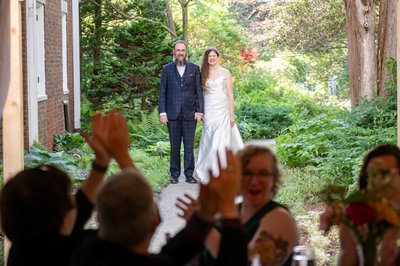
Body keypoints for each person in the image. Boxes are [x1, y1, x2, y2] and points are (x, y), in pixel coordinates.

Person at [70, 148, 247, 266]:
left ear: (98, 216)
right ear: (156, 219)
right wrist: (227, 208)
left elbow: (177, 250)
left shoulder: (83, 250)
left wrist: (204, 216)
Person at [0, 111, 132, 266]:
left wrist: (101, 163)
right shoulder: (84, 250)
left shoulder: (22, 250)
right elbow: (145, 222)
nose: (74, 201)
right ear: (64, 214)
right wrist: (122, 155)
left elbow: (78, 209)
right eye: (70, 196)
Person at [177, 145, 298, 266]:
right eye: (247, 173)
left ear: (274, 178)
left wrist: (204, 228)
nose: (254, 181)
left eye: (263, 174)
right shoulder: (232, 212)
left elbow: (243, 261)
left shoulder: (279, 218)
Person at [336, 144, 400, 266]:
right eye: (371, 174)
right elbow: (348, 259)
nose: (376, 180)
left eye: (384, 172)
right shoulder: (356, 213)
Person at [194, 47, 243, 183]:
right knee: (209, 138)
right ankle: (207, 169)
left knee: (221, 140)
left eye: (213, 56)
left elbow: (230, 95)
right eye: (209, 56)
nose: (211, 58)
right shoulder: (202, 72)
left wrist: (232, 115)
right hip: (209, 110)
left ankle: (220, 171)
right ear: (206, 58)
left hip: (222, 110)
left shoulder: (225, 72)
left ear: (218, 57)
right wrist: (200, 111)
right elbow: (200, 94)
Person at [158, 40, 204, 184]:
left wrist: (200, 111)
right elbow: (162, 93)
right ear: (174, 52)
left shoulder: (194, 68)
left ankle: (189, 174)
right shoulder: (167, 69)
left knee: (189, 146)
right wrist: (162, 113)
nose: (180, 53)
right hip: (172, 114)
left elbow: (199, 92)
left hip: (190, 113)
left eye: (183, 50)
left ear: (186, 52)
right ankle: (174, 174)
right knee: (174, 145)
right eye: (178, 50)